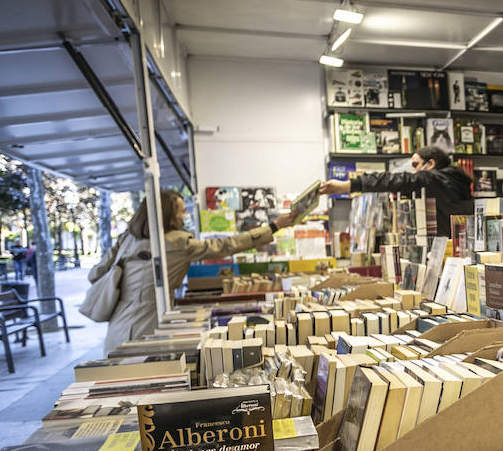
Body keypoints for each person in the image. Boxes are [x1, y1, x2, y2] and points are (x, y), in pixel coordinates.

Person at [91, 190, 294, 355]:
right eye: (180, 211)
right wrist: (273, 227)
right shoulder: (178, 243)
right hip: (149, 319)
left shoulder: (126, 238)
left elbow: (95, 273)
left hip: (118, 323)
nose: (184, 216)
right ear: (168, 215)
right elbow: (225, 245)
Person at [318, 146, 472, 236]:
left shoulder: (430, 179)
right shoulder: (455, 181)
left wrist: (348, 185)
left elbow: (391, 180)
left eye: (415, 165)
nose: (413, 171)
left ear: (430, 164)